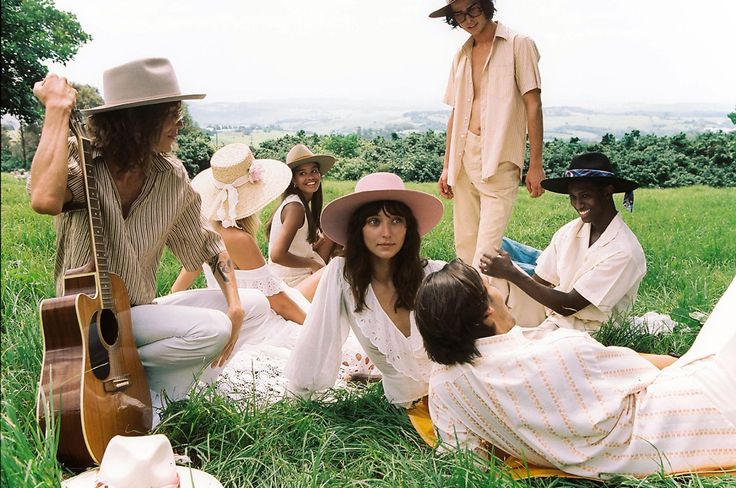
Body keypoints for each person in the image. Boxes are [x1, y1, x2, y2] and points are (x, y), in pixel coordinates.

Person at [28, 57, 270, 420]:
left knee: (255, 306)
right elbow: (44, 200)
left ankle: (156, 392)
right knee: (213, 329)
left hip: (140, 310)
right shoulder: (82, 163)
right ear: (138, 122)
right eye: (171, 113)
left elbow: (207, 246)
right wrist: (56, 112)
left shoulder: (170, 174)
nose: (180, 123)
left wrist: (234, 305)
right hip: (91, 320)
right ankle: (141, 391)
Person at [415, 260, 736, 479]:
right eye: (490, 286)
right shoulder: (558, 351)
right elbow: (653, 371)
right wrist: (687, 362)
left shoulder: (445, 382)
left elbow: (464, 452)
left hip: (629, 449)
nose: (498, 290)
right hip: (692, 417)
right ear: (487, 310)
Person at [285, 172, 445, 428]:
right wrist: (301, 398)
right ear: (358, 229)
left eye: (396, 220)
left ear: (408, 227)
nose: (386, 232)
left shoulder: (434, 273)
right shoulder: (342, 275)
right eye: (373, 221)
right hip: (405, 408)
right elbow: (319, 338)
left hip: (459, 394)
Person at [429, 0, 545, 268]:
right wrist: (447, 166)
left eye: (473, 10)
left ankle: (492, 306)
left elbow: (533, 103)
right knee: (466, 247)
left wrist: (535, 164)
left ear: (486, 6)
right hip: (463, 156)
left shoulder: (519, 43)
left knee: (487, 253)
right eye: (459, 14)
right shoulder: (461, 54)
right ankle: (470, 307)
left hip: (499, 155)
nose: (468, 19)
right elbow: (456, 112)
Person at [480, 152, 646, 331]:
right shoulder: (570, 231)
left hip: (588, 330)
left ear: (607, 192)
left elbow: (569, 306)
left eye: (585, 195)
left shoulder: (624, 250)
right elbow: (540, 279)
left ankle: (501, 335)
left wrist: (513, 273)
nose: (578, 204)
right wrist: (504, 277)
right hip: (552, 313)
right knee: (496, 282)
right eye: (573, 197)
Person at [171, 143, 308, 327]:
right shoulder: (238, 239)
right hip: (254, 323)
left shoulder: (207, 231)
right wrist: (314, 329)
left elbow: (177, 289)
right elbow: (280, 304)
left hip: (230, 319)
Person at [267, 144, 337, 287]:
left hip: (300, 271)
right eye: (302, 173)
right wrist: (312, 264)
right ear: (293, 180)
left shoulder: (299, 202)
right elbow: (277, 255)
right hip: (290, 281)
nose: (310, 177)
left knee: (333, 228)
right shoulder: (295, 207)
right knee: (340, 269)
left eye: (314, 171)